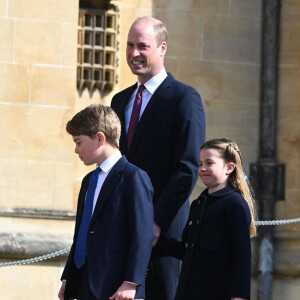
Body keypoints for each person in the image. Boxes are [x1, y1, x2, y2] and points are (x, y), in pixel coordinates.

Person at [111, 17, 206, 300]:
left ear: (162, 48)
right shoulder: (119, 101)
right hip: (124, 228)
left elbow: (187, 168)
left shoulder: (184, 98)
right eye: (129, 45)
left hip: (165, 232)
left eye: (143, 46)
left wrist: (155, 221)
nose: (134, 53)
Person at [58, 104, 154, 300]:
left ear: (100, 138)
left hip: (117, 286)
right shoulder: (88, 181)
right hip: (84, 283)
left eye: (78, 142)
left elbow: (142, 234)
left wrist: (131, 282)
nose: (76, 150)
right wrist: (69, 278)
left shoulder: (133, 177)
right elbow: (81, 233)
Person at [155, 138, 257, 300]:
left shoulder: (235, 204)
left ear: (229, 167)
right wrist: (155, 239)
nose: (202, 168)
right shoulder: (198, 204)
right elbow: (187, 249)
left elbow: (242, 255)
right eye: (200, 163)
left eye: (209, 163)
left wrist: (239, 296)